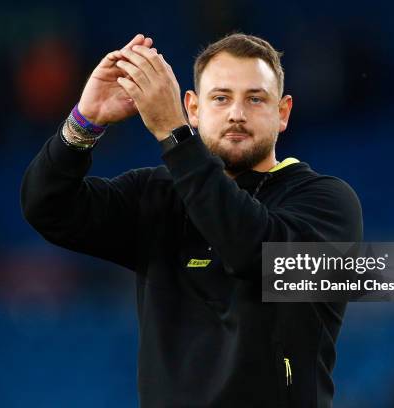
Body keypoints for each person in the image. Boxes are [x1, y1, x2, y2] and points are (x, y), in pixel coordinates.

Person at [21, 32, 362, 408]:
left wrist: (175, 135)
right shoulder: (156, 195)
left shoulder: (327, 203)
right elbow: (47, 207)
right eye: (221, 98)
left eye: (255, 98)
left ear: (282, 113)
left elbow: (252, 252)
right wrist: (85, 123)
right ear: (194, 108)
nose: (236, 113)